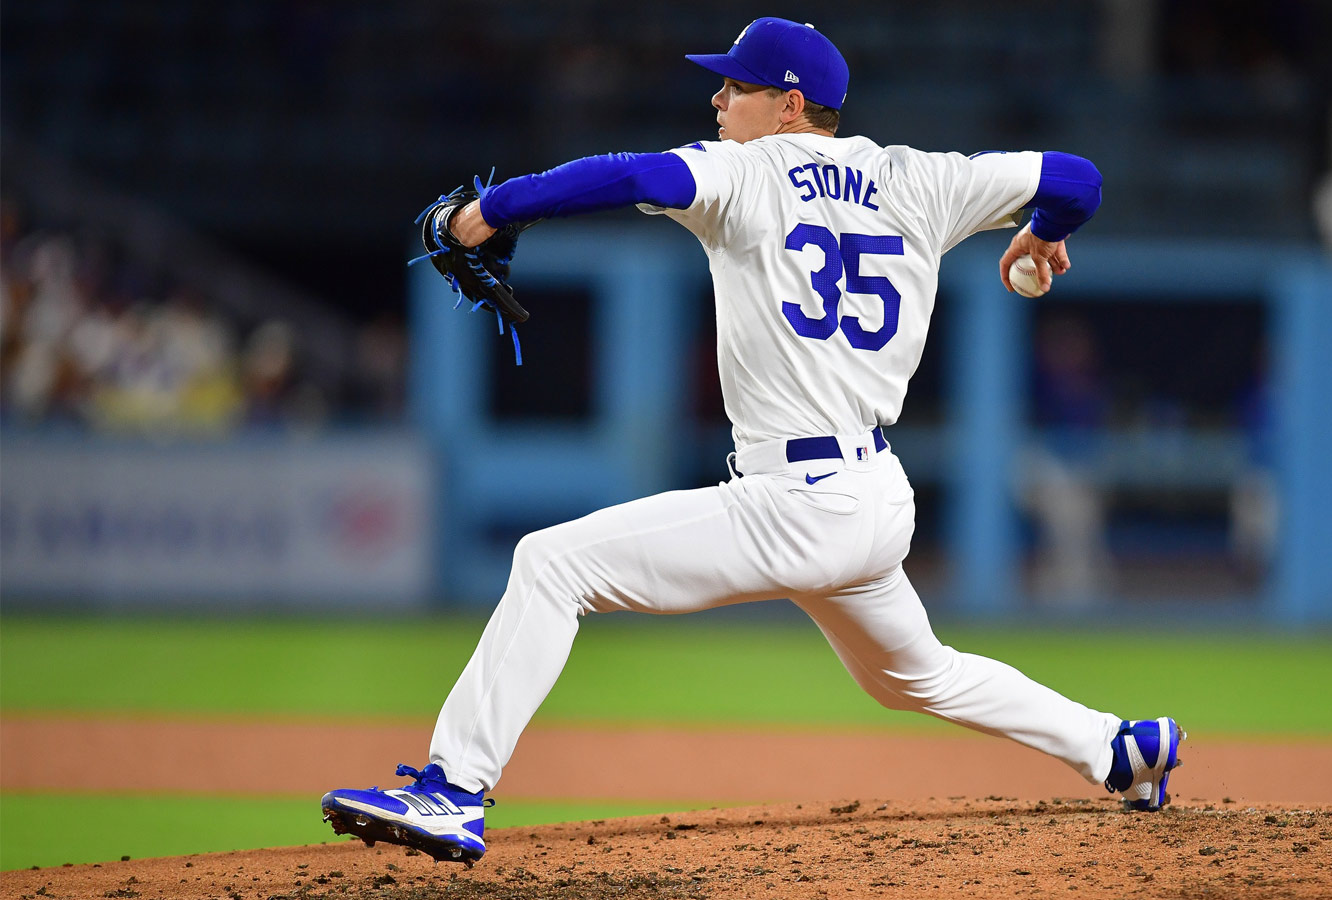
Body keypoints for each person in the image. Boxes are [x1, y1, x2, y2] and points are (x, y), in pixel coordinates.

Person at [321, 17, 1183, 864]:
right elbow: (1078, 177)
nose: (718, 95)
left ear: (789, 105)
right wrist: (1045, 234)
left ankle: (453, 790)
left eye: (737, 84)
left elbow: (625, 175)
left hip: (795, 499)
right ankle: (1118, 747)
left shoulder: (745, 171)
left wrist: (488, 210)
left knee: (554, 563)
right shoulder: (921, 179)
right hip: (876, 497)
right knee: (916, 677)